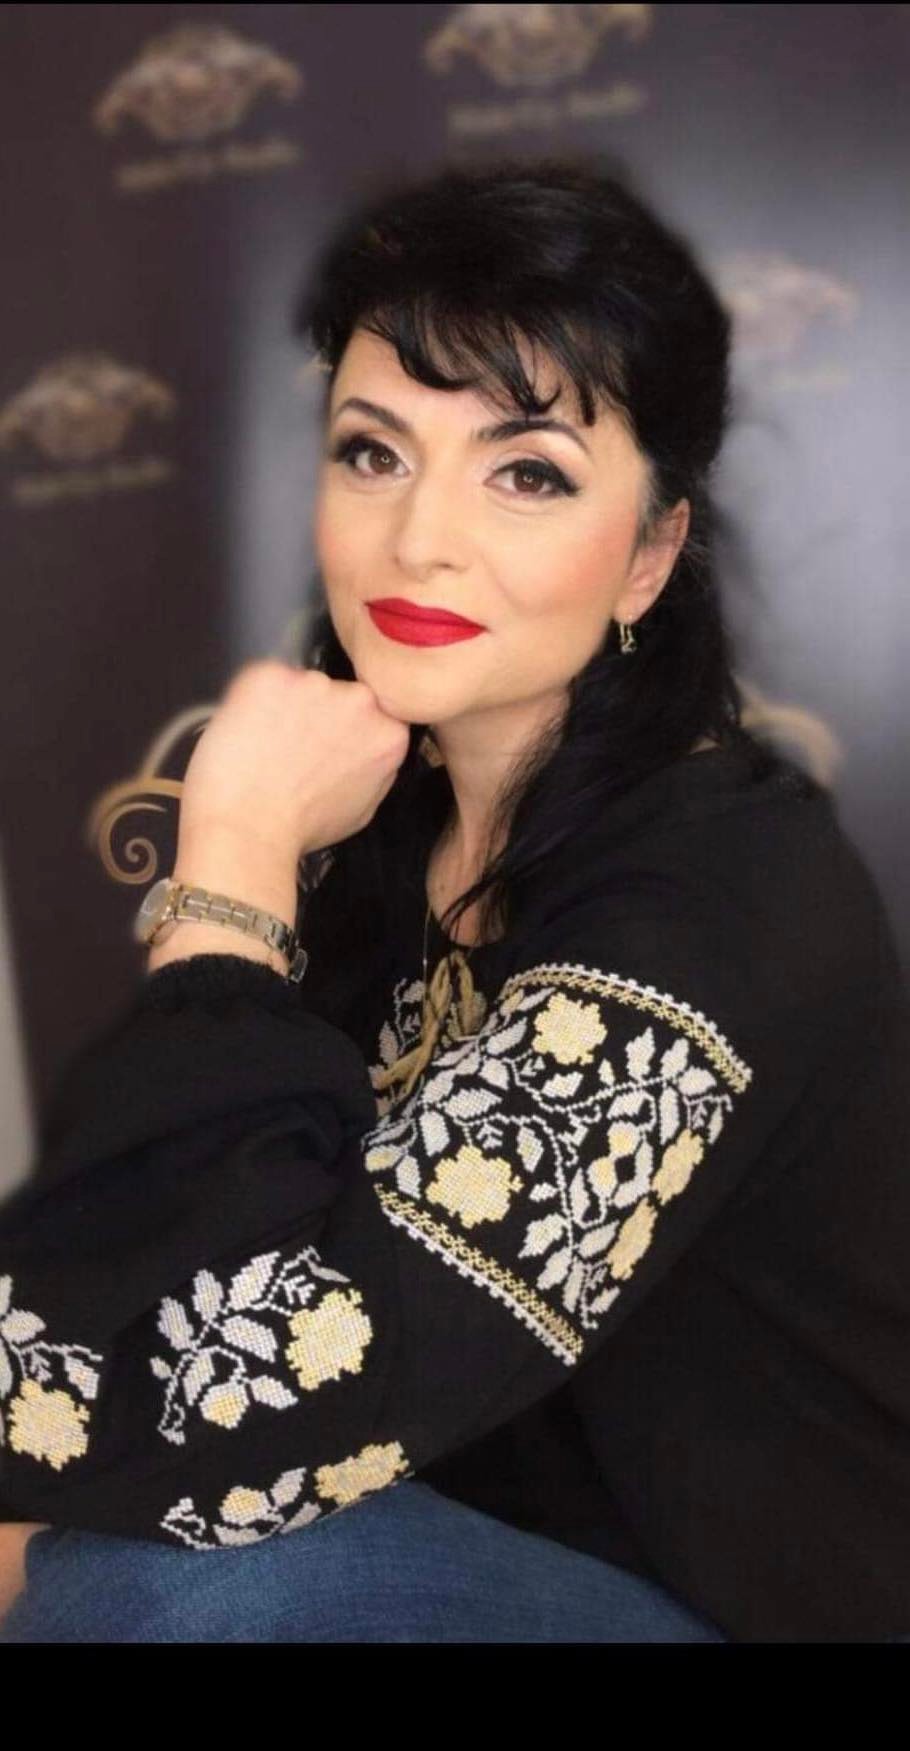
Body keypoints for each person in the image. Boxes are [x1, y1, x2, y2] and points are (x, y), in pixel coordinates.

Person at [1, 154, 909, 1645]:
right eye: (373, 453)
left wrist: (230, 864)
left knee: (160, 1587)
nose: (419, 536)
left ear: (649, 554)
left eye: (526, 472)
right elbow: (143, 1267)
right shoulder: (377, 827)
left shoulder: (730, 894)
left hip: (740, 1608)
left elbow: (266, 1403)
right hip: (465, 1534)